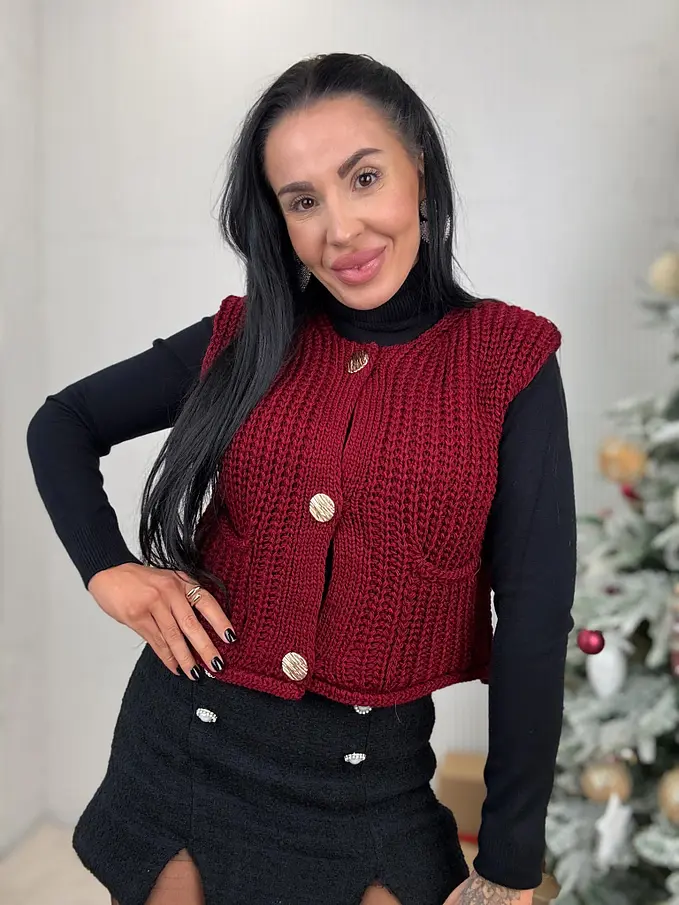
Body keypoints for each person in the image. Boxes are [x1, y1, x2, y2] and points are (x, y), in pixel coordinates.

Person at [27, 52, 576, 905]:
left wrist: (508, 862)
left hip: (369, 788)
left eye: (364, 178)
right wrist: (111, 572)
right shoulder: (247, 337)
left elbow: (534, 622)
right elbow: (62, 423)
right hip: (185, 752)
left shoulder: (507, 360)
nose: (340, 230)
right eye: (303, 201)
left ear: (418, 167)